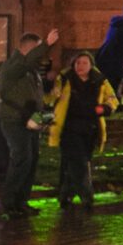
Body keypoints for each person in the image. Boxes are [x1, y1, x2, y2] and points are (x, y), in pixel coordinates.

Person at [46, 51, 116, 208]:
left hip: (90, 129)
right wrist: (49, 84)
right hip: (69, 128)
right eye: (78, 63)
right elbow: (51, 96)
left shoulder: (99, 81)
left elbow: (112, 99)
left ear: (91, 65)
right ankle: (87, 195)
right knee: (80, 162)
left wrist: (104, 109)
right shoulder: (65, 79)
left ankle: (65, 195)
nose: (81, 66)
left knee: (75, 162)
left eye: (84, 63)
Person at [0, 31, 48, 215]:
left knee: (31, 160)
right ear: (26, 49)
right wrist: (47, 43)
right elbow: (25, 64)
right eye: (37, 49)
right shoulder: (14, 65)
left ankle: (21, 201)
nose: (40, 54)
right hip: (15, 120)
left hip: (31, 119)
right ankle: (10, 202)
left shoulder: (31, 70)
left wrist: (42, 117)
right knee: (22, 158)